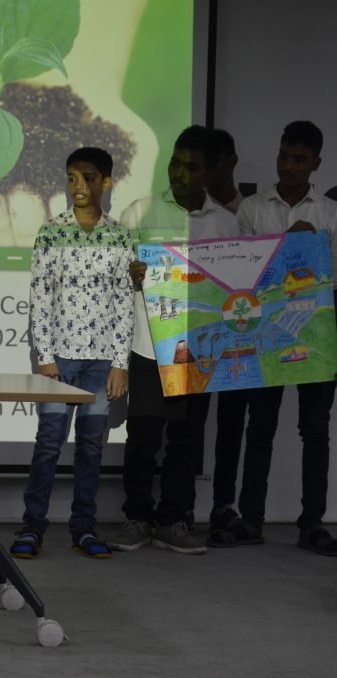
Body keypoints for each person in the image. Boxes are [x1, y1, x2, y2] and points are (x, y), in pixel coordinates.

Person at [107, 125, 239, 555]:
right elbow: (112, 277)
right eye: (175, 163)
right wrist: (129, 275)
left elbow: (236, 286)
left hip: (199, 347)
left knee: (185, 440)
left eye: (191, 167)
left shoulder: (226, 223)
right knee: (144, 437)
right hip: (148, 345)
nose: (180, 174)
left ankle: (173, 520)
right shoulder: (139, 212)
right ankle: (137, 518)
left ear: (210, 173)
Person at [209, 120, 337, 555]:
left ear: (316, 163)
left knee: (315, 429)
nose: (288, 166)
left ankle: (312, 524)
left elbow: (334, 281)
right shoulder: (252, 209)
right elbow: (240, 275)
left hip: (318, 334)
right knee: (260, 426)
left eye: (299, 159)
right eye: (284, 155)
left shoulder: (331, 214)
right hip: (264, 331)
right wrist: (287, 244)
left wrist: (311, 250)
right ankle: (251, 520)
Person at [10, 147, 133, 560]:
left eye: (88, 177)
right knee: (49, 441)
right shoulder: (51, 231)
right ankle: (33, 526)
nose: (78, 186)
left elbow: (124, 303)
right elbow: (40, 298)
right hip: (59, 359)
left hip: (101, 362)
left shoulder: (120, 235)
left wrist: (120, 363)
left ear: (106, 182)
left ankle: (83, 527)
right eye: (71, 178)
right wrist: (45, 357)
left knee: (91, 446)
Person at [206, 128, 250, 536]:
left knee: (233, 422)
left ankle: (223, 503)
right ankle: (179, 507)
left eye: (213, 161)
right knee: (187, 424)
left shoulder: (248, 212)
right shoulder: (192, 210)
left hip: (240, 333)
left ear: (231, 162)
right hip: (197, 331)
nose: (206, 170)